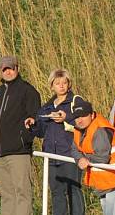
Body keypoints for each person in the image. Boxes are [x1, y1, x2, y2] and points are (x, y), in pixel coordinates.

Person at [0, 56, 40, 215]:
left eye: (11, 68)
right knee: (7, 195)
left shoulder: (27, 90)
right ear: (0, 71)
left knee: (22, 192)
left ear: (17, 68)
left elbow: (35, 117)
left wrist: (25, 137)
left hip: (18, 152)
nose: (8, 71)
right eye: (4, 69)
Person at [32, 69, 85, 215]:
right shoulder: (46, 107)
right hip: (51, 155)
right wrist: (32, 125)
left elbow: (84, 123)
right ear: (52, 86)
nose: (61, 86)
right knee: (56, 193)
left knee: (73, 189)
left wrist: (66, 118)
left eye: (64, 82)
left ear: (69, 84)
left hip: (69, 153)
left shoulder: (75, 102)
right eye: (57, 83)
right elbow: (41, 132)